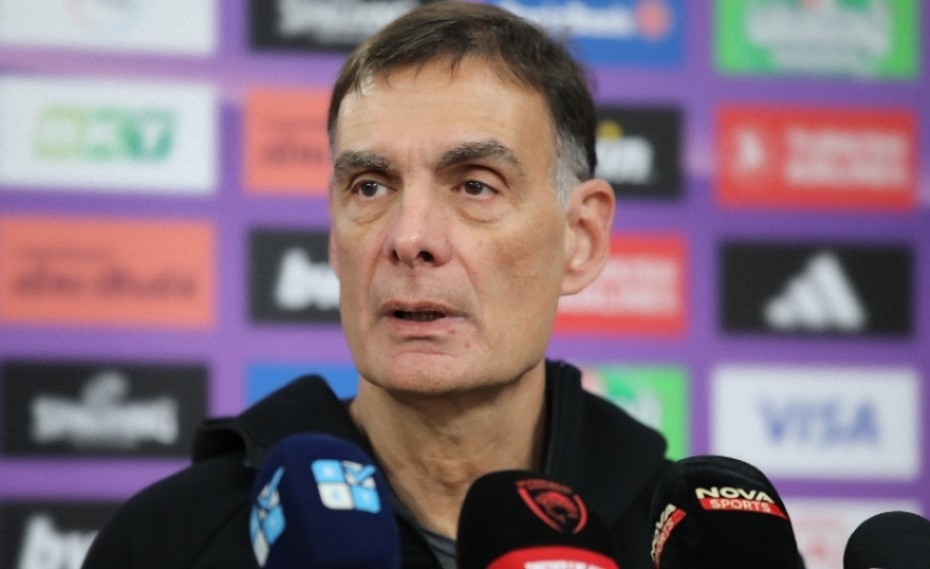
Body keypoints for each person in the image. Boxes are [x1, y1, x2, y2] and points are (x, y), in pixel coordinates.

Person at [82, 2, 670, 568]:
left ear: (581, 237)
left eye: (475, 185)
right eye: (370, 187)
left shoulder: (680, 544)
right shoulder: (165, 543)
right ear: (335, 236)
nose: (409, 238)